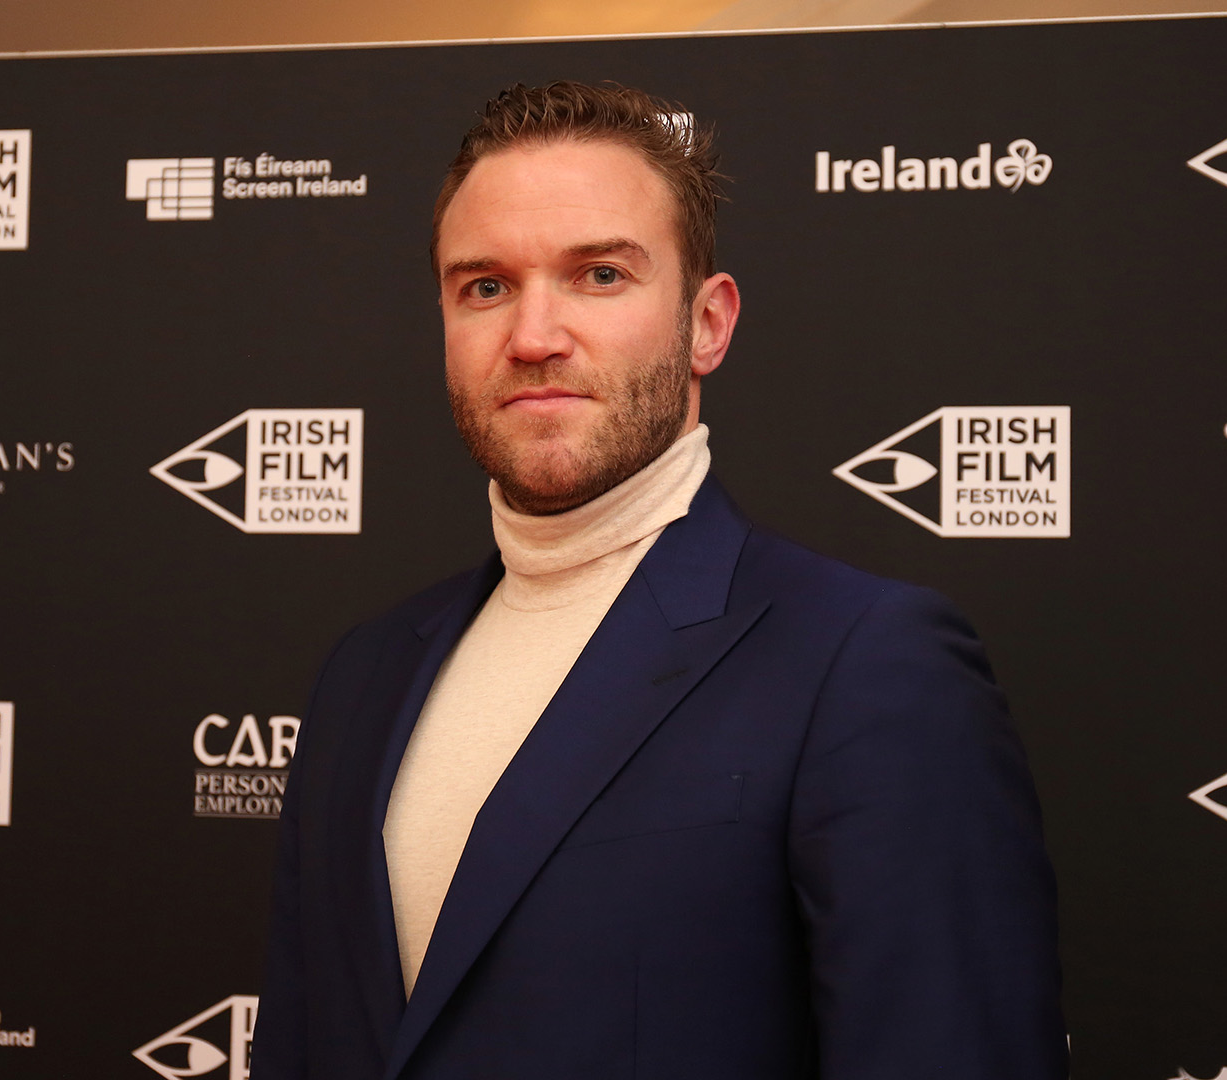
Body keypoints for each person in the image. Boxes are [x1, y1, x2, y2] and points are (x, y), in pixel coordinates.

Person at [253, 80, 1065, 1079]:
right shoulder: (363, 677)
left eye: (598, 274)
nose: (535, 335)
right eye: (486, 286)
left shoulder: (865, 665)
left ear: (707, 324)